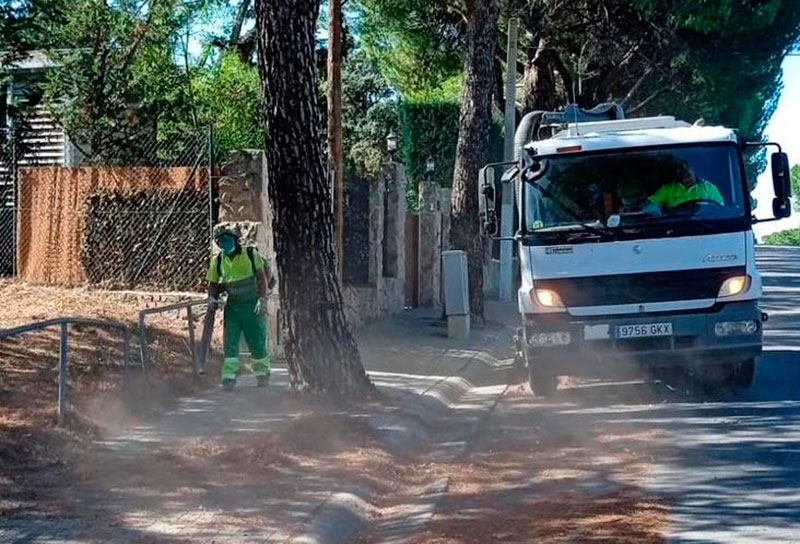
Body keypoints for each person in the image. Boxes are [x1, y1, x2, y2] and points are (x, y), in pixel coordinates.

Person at [207, 225, 276, 390]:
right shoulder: (218, 261)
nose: (225, 243)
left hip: (253, 305)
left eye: (228, 239)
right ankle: (229, 378)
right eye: (221, 241)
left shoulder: (250, 254)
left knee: (257, 341)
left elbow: (261, 278)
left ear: (235, 240)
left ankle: (262, 375)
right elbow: (213, 283)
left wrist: (262, 298)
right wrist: (211, 298)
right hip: (233, 306)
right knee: (230, 342)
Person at [645, 160, 724, 215]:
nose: (684, 170)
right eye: (680, 168)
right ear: (676, 172)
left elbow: (721, 209)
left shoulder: (709, 188)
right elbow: (650, 204)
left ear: (693, 169)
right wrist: (654, 212)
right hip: (675, 228)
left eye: (687, 167)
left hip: (705, 226)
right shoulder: (668, 189)